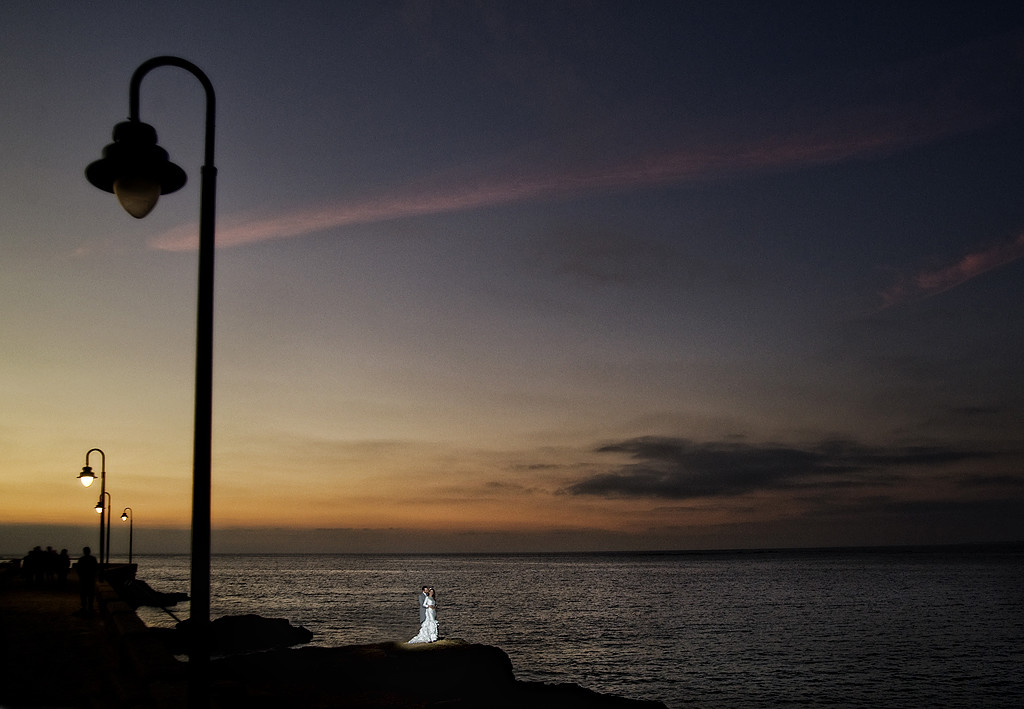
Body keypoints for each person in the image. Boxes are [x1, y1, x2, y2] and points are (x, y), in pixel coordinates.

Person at [75, 547, 99, 615]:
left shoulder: (81, 559)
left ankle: (84, 607)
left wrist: (80, 576)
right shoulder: (93, 559)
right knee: (90, 593)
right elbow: (96, 568)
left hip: (84, 579)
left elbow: (78, 569)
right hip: (90, 579)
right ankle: (90, 607)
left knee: (83, 594)